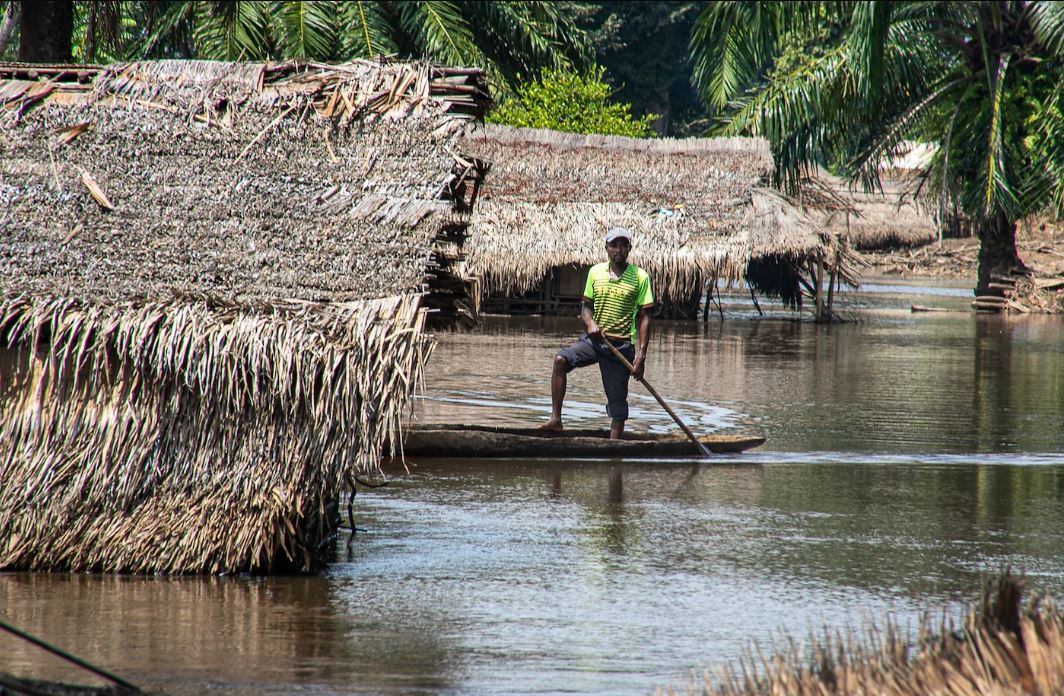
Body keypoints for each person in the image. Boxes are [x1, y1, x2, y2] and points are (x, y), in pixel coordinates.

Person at [540, 227, 654, 439]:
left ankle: (614, 449)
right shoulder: (595, 272)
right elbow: (585, 308)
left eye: (623, 245)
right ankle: (556, 420)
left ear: (629, 249)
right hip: (595, 341)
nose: (618, 249)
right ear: (607, 249)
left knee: (617, 404)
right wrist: (590, 323)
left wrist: (641, 355)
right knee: (560, 361)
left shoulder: (640, 277)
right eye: (614, 245)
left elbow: (645, 317)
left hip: (621, 346)